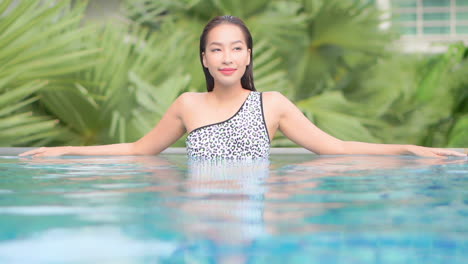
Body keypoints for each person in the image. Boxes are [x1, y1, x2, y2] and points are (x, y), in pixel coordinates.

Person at [20, 16, 466, 159]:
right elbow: (139, 150)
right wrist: (67, 151)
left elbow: (338, 148)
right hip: (200, 212)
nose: (227, 57)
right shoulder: (188, 104)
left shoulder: (272, 106)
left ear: (248, 56)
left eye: (236, 48)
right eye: (217, 49)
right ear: (204, 59)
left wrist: (406, 149)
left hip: (256, 209)